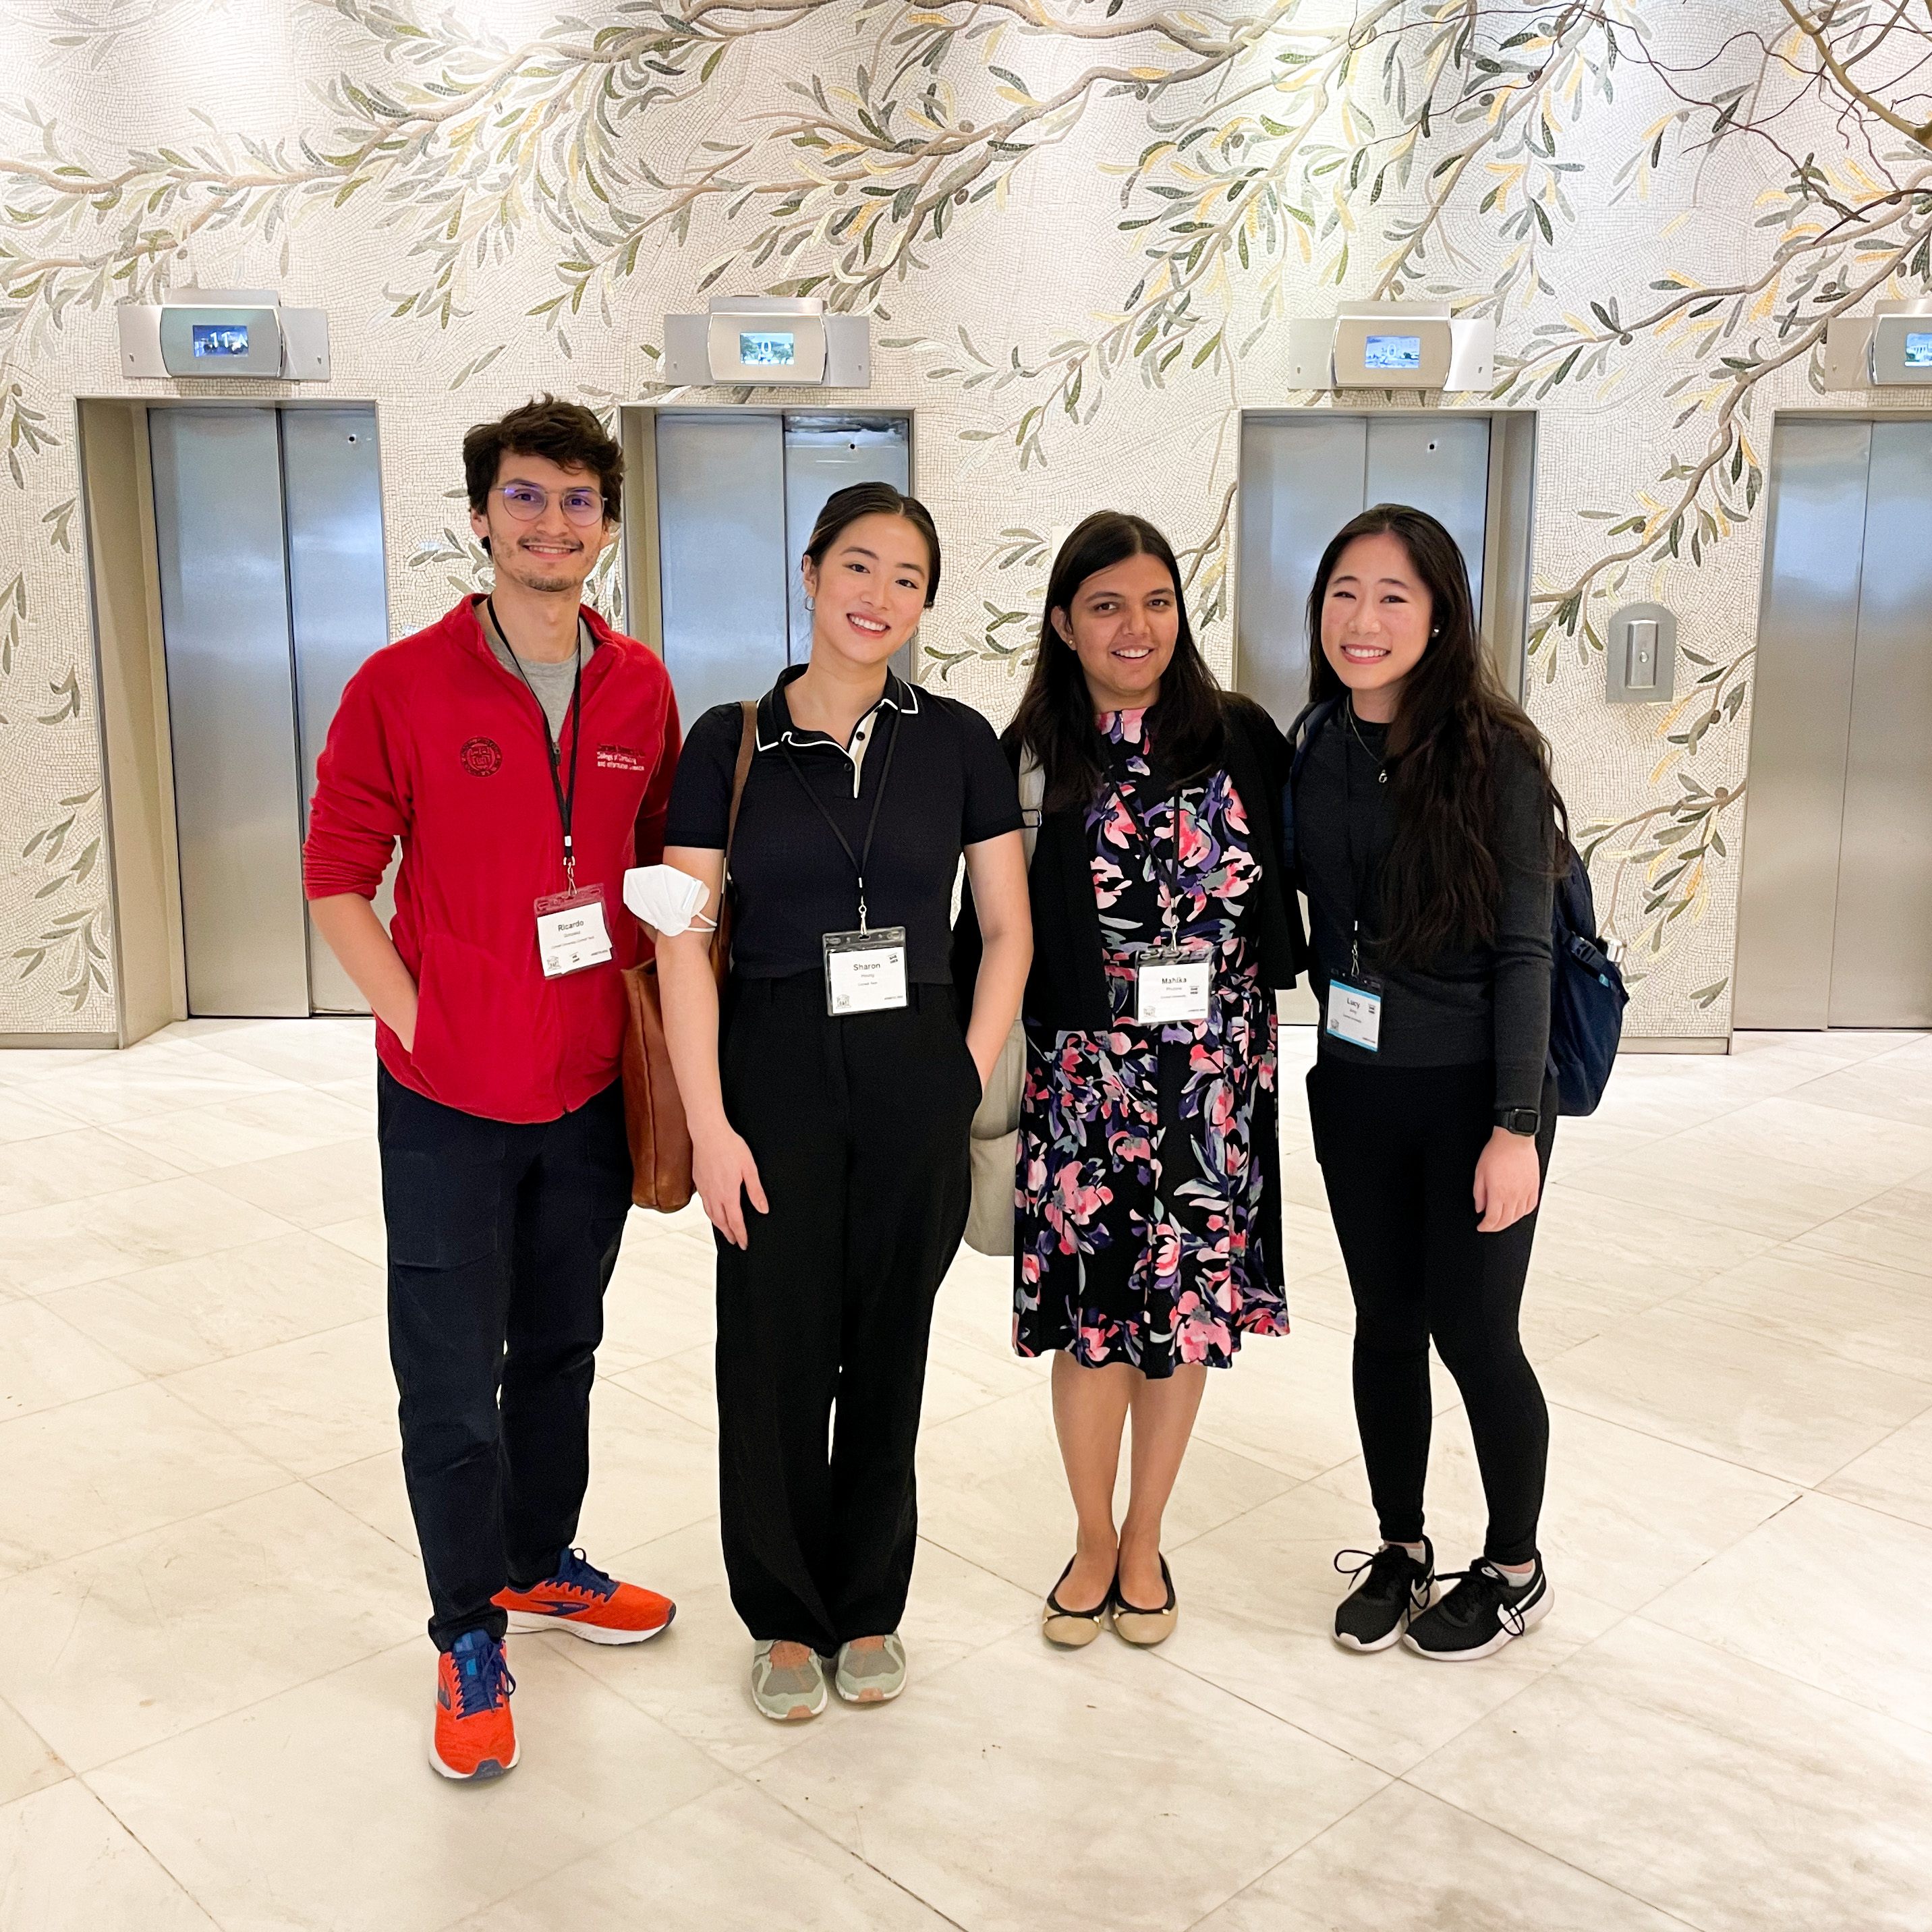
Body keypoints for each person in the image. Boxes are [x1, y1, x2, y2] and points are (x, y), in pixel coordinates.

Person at [305, 396, 681, 1782]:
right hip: (450, 1101)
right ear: (480, 516)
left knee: (563, 1348)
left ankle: (539, 1560)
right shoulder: (400, 685)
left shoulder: (639, 685)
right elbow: (335, 872)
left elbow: (649, 867)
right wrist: (422, 1016)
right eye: (526, 497)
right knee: (452, 1378)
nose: (551, 522)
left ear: (606, 527)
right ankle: (468, 1628)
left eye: (578, 502)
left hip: (587, 1093)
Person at [655, 482, 1031, 1722]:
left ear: (928, 601)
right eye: (857, 567)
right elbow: (681, 939)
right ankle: (781, 1619)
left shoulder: (959, 741)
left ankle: (868, 1604)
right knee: (770, 1351)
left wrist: (963, 1070)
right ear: (810, 574)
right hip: (770, 1068)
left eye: (907, 578)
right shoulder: (731, 738)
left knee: (888, 1348)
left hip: (914, 1067)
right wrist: (709, 1125)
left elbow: (1008, 929)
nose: (879, 596)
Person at [953, 511, 1304, 1649]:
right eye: (1105, 604)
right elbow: (987, 929)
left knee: (1185, 1320)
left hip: (1212, 1089)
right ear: (1063, 622)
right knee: (1090, 1327)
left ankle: (1146, 1534)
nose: (1134, 626)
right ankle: (1091, 1535)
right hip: (1081, 1088)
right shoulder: (1030, 755)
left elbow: (1293, 895)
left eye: (1156, 601)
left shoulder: (1245, 736)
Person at [1292, 503, 1561, 1662]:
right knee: (1385, 1326)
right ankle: (1401, 1547)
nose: (1365, 619)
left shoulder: (1496, 752)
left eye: (1394, 595)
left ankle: (1513, 1563)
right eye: (1345, 592)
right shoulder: (1315, 742)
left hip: (1472, 1096)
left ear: (1440, 613)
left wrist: (1516, 1126)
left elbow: (1527, 949)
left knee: (1476, 1333)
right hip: (1354, 1086)